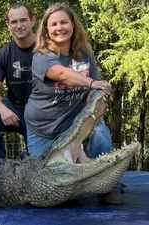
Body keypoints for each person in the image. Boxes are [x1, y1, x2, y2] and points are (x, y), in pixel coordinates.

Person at [24, 3, 123, 204]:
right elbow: (62, 74)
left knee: (101, 133)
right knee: (49, 192)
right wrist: (92, 82)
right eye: (53, 24)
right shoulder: (41, 56)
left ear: (73, 25)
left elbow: (94, 91)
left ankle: (105, 189)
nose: (59, 28)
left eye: (63, 22)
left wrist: (89, 118)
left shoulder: (85, 53)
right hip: (43, 128)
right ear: (46, 30)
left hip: (75, 121)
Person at [0, 3, 36, 158]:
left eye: (23, 20)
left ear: (32, 20)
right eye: (14, 22)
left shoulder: (47, 48)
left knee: (38, 160)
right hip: (16, 109)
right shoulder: (3, 54)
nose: (19, 25)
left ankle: (29, 156)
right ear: (8, 25)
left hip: (42, 112)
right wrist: (2, 109)